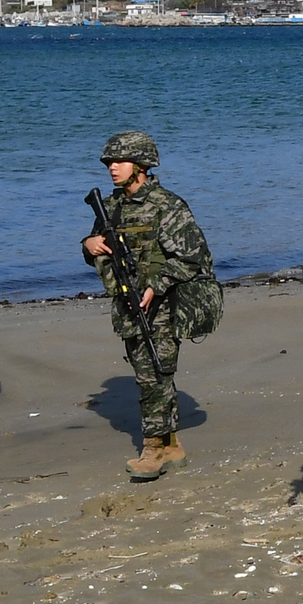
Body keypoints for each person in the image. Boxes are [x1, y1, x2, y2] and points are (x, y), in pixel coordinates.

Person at [82, 131, 216, 480]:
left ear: (141, 165)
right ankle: (171, 444)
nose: (112, 168)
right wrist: (89, 244)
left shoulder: (166, 206)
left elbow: (195, 257)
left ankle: (153, 450)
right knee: (153, 373)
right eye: (109, 162)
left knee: (153, 374)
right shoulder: (110, 207)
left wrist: (158, 284)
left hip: (164, 306)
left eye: (119, 161)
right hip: (128, 304)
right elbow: (96, 247)